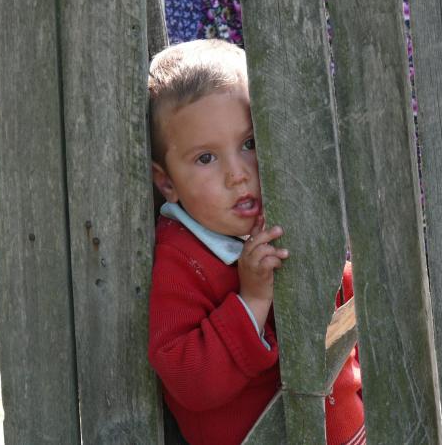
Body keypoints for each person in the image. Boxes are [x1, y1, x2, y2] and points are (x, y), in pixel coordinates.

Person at [147, 39, 365, 445]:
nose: (238, 174)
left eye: (248, 144)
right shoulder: (180, 259)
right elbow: (189, 380)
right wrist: (252, 300)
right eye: (206, 158)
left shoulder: (288, 218)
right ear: (166, 182)